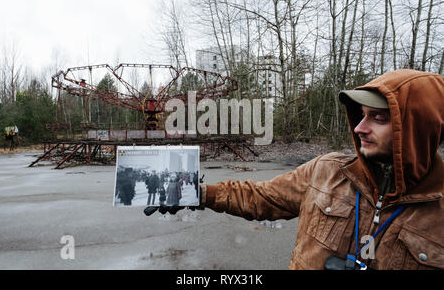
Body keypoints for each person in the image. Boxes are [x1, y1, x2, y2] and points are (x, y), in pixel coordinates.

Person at [145, 69, 443, 270]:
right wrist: (196, 193)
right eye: (362, 116)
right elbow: (260, 197)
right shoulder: (327, 171)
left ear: (418, 128)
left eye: (378, 118)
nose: (360, 128)